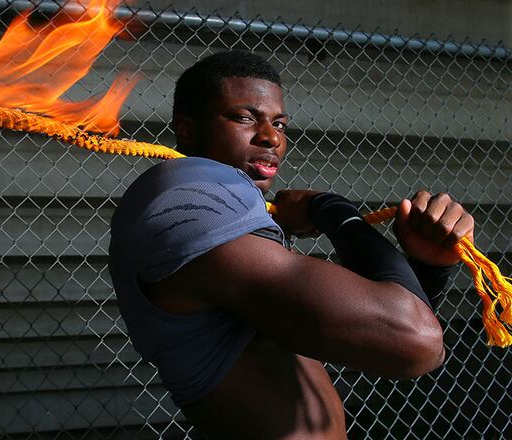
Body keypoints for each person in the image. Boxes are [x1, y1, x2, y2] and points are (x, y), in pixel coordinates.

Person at [108, 50, 474, 439]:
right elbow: (413, 341)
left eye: (279, 123)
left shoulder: (228, 212)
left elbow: (378, 335)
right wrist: (330, 209)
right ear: (186, 128)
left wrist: (427, 265)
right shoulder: (188, 200)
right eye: (245, 118)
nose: (272, 137)